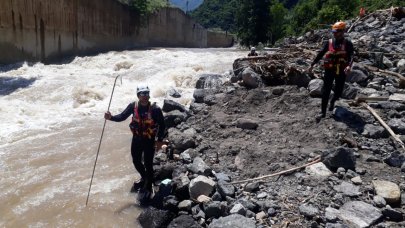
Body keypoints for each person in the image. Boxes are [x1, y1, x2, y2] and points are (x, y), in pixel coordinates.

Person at [104, 84, 166, 203]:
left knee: (148, 164)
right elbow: (122, 117)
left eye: (146, 94)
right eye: (142, 94)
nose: (145, 96)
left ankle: (148, 185)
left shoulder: (155, 109)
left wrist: (159, 140)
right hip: (137, 139)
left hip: (149, 140)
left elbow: (162, 125)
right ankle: (145, 177)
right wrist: (110, 117)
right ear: (138, 95)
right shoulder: (133, 106)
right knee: (136, 161)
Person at [308, 21, 354, 119]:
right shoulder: (329, 42)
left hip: (341, 70)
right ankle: (323, 112)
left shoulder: (348, 43)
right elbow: (321, 53)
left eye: (336, 31)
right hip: (329, 69)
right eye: (333, 31)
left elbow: (351, 56)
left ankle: (333, 101)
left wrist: (349, 66)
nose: (334, 33)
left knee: (338, 91)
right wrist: (312, 64)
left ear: (342, 31)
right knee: (326, 90)